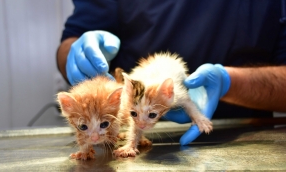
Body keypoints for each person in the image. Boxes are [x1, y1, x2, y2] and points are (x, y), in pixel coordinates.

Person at [56, 0, 286, 145]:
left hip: (241, 133)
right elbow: (71, 38)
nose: (144, 122)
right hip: (118, 117)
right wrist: (75, 57)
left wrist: (230, 83)